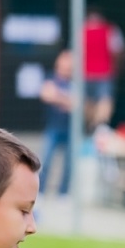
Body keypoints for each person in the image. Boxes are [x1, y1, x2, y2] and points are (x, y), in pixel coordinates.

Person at [38, 51, 74, 197]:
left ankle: (63, 193)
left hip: (71, 128)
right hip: (53, 126)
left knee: (69, 163)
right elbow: (46, 95)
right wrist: (66, 99)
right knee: (46, 160)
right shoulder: (50, 78)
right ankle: (40, 192)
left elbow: (78, 103)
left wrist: (58, 97)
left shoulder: (75, 82)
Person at [82, 11, 125, 127]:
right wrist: (119, 67)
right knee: (105, 101)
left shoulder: (81, 30)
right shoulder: (111, 30)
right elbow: (118, 51)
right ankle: (99, 126)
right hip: (105, 73)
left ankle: (91, 126)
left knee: (88, 103)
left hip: (87, 73)